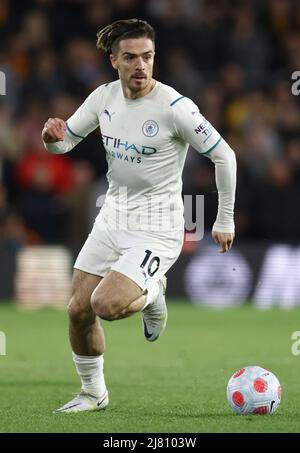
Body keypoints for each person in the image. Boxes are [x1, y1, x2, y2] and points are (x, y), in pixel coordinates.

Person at [41, 19, 236, 413]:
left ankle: (154, 293)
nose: (140, 66)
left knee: (106, 306)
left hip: (157, 227)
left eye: (147, 57)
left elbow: (224, 155)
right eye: (130, 58)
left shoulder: (175, 107)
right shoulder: (103, 98)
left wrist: (224, 218)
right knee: (78, 309)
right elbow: (65, 143)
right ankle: (94, 395)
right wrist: (51, 140)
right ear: (114, 60)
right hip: (112, 216)